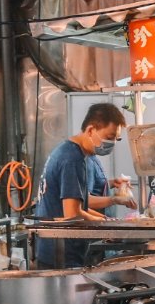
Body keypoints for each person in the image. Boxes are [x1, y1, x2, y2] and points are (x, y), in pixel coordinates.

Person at [34, 103, 127, 268]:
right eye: (109, 137)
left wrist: (106, 220)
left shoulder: (71, 152)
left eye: (115, 139)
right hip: (61, 254)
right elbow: (72, 214)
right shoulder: (72, 158)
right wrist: (107, 227)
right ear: (91, 130)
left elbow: (79, 206)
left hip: (58, 248)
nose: (111, 143)